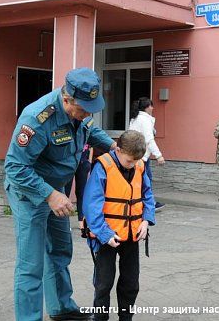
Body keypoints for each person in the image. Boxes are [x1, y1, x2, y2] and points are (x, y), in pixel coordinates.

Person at [4, 68, 116, 321]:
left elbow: (87, 130)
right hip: (31, 194)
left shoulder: (80, 109)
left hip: (59, 191)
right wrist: (49, 194)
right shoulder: (37, 118)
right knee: (31, 264)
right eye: (84, 109)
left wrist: (112, 144)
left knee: (61, 250)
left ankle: (61, 307)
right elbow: (14, 167)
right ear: (67, 99)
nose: (89, 113)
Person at [83, 130, 155, 321]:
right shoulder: (102, 167)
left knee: (131, 283)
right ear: (119, 149)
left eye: (136, 161)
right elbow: (91, 206)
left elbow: (147, 195)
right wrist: (105, 234)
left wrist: (146, 221)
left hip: (132, 234)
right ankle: (99, 317)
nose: (133, 164)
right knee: (103, 283)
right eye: (130, 160)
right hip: (106, 237)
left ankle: (126, 317)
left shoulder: (139, 165)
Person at [128, 97, 166, 210]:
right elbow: (149, 139)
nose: (153, 108)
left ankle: (143, 202)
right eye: (151, 105)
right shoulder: (144, 120)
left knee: (141, 179)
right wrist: (159, 155)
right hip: (142, 156)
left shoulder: (136, 118)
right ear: (146, 107)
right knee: (146, 180)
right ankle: (150, 204)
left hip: (136, 154)